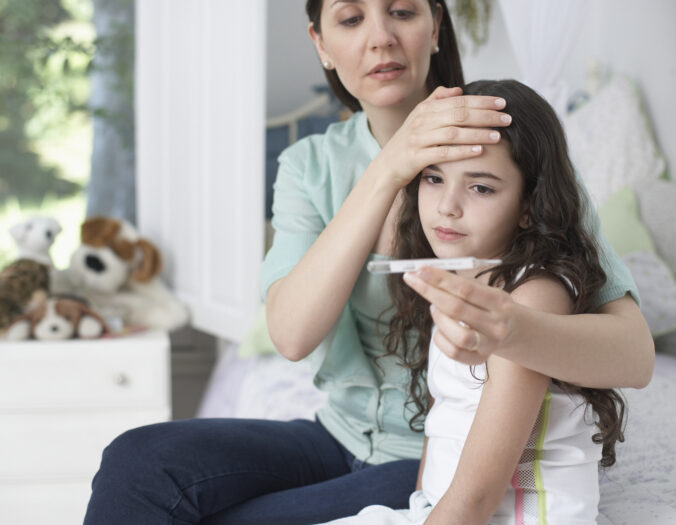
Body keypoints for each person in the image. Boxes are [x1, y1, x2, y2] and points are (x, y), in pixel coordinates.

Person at [83, 1, 652, 524]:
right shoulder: (310, 166)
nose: (380, 38)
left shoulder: (509, 148)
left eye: (402, 11)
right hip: (336, 434)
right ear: (321, 43)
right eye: (351, 18)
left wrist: (515, 330)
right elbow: (290, 335)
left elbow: (633, 355)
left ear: (435, 26)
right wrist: (392, 165)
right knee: (138, 460)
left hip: (432, 458)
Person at [318, 79, 626, 525]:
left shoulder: (533, 296)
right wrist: (421, 506)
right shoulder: (460, 277)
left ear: (528, 205)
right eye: (434, 178)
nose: (447, 206)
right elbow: (445, 423)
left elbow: (478, 496)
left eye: (480, 188)